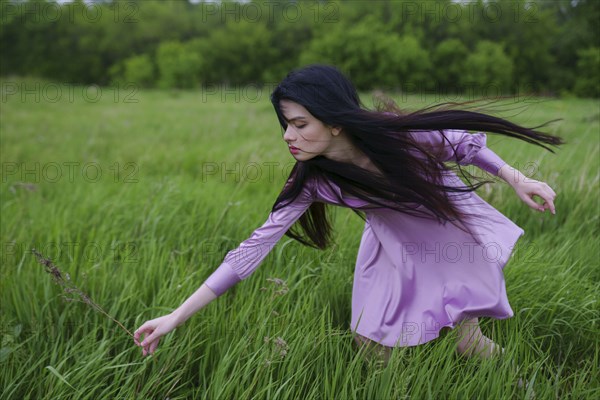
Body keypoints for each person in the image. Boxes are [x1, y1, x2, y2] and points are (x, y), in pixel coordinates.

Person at [134, 64, 563, 366]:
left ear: (335, 121)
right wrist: (176, 316)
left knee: (468, 343)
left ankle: (525, 380)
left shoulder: (399, 138)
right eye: (285, 125)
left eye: (300, 124)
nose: (289, 136)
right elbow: (251, 250)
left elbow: (463, 145)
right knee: (369, 345)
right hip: (390, 251)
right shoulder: (313, 179)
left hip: (448, 242)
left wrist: (516, 177)